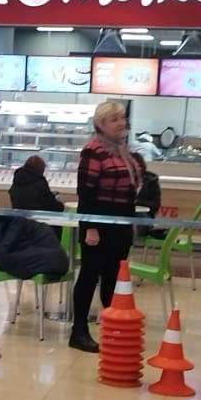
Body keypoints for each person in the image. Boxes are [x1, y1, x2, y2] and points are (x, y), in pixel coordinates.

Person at [69, 100, 142, 353]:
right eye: (114, 119)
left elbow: (130, 191)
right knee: (90, 276)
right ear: (100, 124)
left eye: (122, 118)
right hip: (98, 223)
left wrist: (131, 221)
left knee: (114, 278)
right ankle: (79, 331)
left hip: (121, 224)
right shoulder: (94, 150)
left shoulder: (122, 149)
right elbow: (85, 192)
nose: (121, 123)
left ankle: (112, 328)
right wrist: (90, 227)